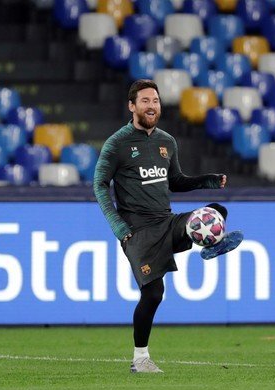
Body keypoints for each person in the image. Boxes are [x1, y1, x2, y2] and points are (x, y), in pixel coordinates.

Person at [93, 79, 243, 374]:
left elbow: (175, 181)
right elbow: (99, 184)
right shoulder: (117, 144)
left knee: (216, 211)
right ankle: (140, 359)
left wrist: (207, 181)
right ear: (132, 106)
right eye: (146, 101)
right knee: (153, 294)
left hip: (166, 221)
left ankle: (212, 243)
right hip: (138, 232)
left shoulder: (166, 142)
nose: (152, 106)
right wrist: (118, 227)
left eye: (156, 101)